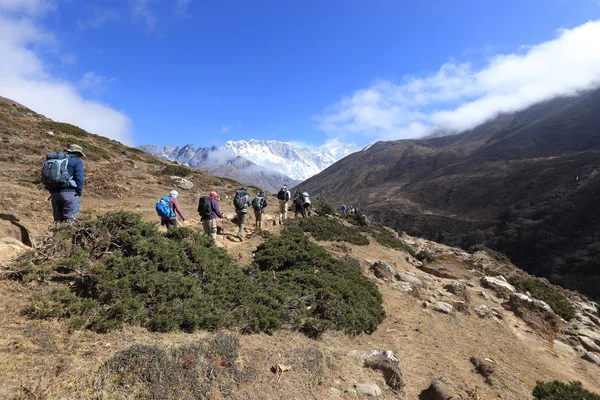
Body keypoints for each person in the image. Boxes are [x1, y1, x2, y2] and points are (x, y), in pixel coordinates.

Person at [42, 144, 85, 224]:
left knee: (57, 220)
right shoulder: (76, 161)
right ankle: (67, 236)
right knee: (71, 220)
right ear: (77, 153)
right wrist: (79, 191)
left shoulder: (58, 160)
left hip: (54, 193)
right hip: (70, 193)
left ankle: (56, 236)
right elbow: (80, 178)